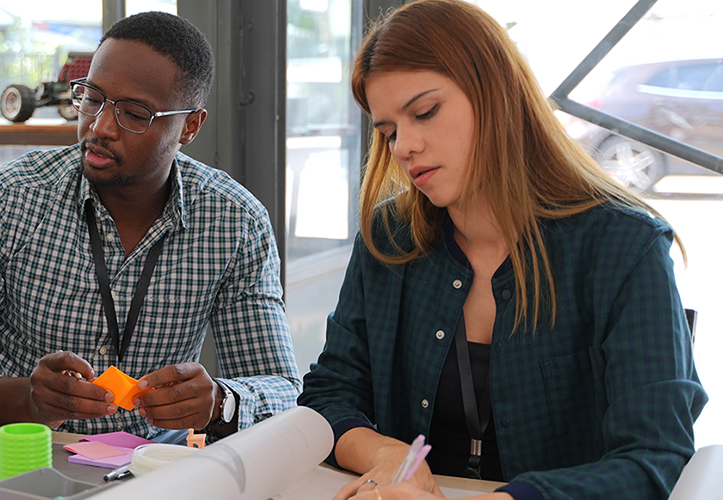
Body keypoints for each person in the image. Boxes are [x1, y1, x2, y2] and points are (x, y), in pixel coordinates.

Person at [297, 1, 707, 499]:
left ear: (496, 95)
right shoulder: (388, 238)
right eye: (388, 131)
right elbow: (330, 393)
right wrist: (388, 454)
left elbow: (653, 457)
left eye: (425, 112)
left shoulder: (624, 246)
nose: (404, 145)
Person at [0, 11, 299, 442]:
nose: (100, 127)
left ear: (190, 127)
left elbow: (281, 388)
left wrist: (219, 401)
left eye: (135, 113)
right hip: (27, 453)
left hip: (156, 466)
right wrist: (29, 400)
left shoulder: (233, 222)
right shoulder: (8, 200)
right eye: (92, 98)